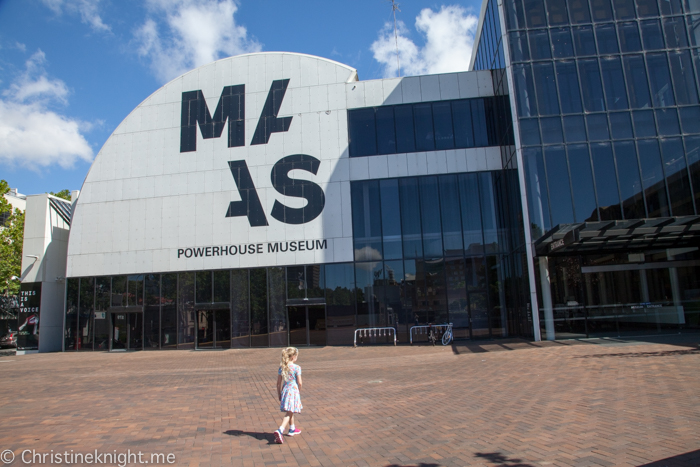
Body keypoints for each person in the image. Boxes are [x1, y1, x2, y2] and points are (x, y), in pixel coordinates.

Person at [274, 347, 303, 444]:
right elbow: (300, 382)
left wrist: (279, 394)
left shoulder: (282, 367)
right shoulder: (297, 367)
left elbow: (278, 383)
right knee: (289, 412)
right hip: (293, 391)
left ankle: (292, 429)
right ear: (293, 357)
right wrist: (298, 391)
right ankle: (280, 429)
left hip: (285, 391)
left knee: (290, 410)